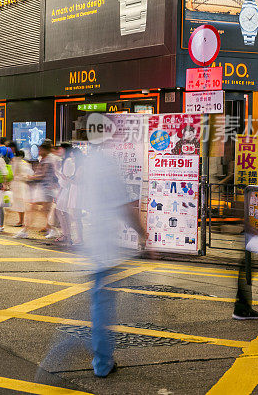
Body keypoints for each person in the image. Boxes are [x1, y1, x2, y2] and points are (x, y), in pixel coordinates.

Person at [76, 144, 146, 377]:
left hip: (92, 248)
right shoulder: (106, 164)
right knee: (102, 309)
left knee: (98, 304)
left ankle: (101, 360)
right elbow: (125, 206)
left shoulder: (88, 162)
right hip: (104, 250)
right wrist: (143, 235)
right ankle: (102, 363)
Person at [10, 151, 34, 233]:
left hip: (18, 185)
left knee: (19, 203)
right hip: (23, 185)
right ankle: (22, 221)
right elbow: (30, 174)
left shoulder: (17, 163)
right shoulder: (26, 163)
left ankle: (21, 221)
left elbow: (12, 174)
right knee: (22, 203)